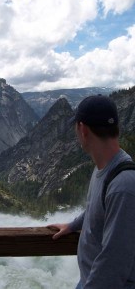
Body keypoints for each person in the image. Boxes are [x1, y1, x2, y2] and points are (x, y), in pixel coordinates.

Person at [48, 95, 135, 289]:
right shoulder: (107, 169)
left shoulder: (124, 185)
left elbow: (114, 264)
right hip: (88, 280)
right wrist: (73, 225)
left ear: (83, 130)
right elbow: (99, 207)